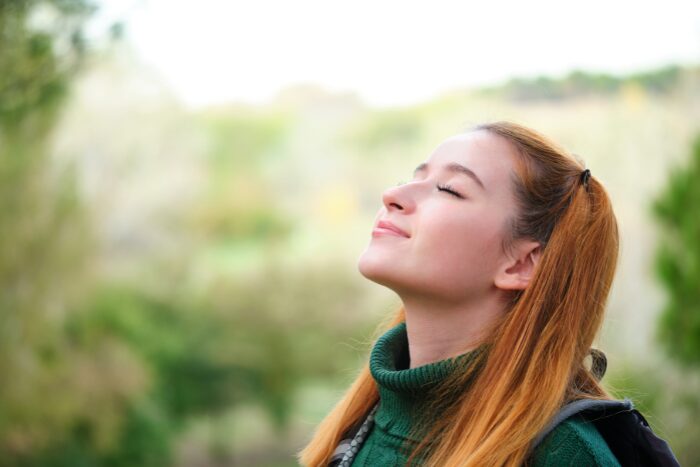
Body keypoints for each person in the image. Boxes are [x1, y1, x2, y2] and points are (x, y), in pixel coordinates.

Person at [297, 121, 647, 466]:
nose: (393, 195)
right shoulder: (358, 426)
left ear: (521, 264)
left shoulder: (565, 456)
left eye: (449, 189)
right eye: (413, 179)